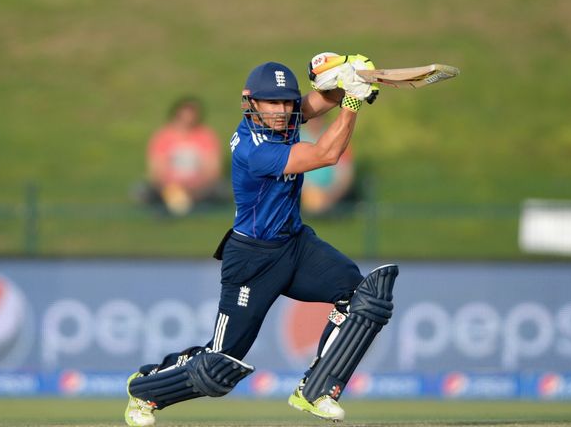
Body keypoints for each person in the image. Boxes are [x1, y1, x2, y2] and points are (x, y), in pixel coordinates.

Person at [123, 53, 399, 426]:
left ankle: (316, 390)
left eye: (286, 102)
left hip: (296, 244)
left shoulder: (282, 119)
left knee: (366, 297)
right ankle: (147, 388)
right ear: (249, 102)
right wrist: (352, 99)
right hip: (252, 259)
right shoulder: (255, 149)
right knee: (218, 367)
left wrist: (345, 77)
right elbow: (326, 153)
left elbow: (319, 102)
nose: (282, 111)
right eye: (272, 102)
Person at [136, 97, 226, 215]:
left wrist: (195, 183)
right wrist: (171, 185)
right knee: (141, 190)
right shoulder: (163, 136)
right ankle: (178, 203)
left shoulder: (206, 136)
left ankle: (185, 204)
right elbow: (156, 169)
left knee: (220, 189)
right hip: (169, 186)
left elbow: (213, 169)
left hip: (199, 186)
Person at [299, 115, 356, 215]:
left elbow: (345, 173)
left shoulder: (338, 138)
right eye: (312, 117)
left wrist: (332, 194)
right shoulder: (297, 138)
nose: (315, 122)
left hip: (331, 194)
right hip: (305, 193)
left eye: (318, 117)